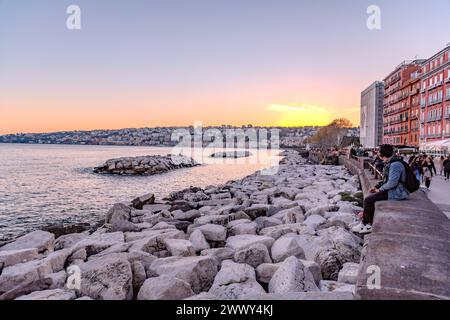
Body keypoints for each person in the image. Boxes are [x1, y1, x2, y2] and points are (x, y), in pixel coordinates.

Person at [352, 144, 409, 235]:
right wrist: (377, 187)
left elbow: (392, 183)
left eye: (379, 152)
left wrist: (380, 189)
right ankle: (366, 223)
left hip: (398, 192)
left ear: (383, 154)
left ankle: (366, 224)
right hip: (395, 190)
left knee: (368, 200)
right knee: (371, 197)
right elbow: (386, 180)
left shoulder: (395, 165)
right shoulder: (392, 162)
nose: (378, 153)